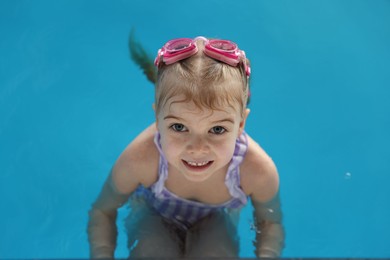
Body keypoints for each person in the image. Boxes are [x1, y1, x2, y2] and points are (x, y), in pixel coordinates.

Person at [87, 35, 285, 258]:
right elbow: (103, 210)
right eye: (179, 127)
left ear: (240, 125)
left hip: (216, 218)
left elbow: (270, 223)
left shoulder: (256, 170)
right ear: (157, 119)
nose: (197, 148)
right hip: (155, 214)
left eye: (217, 129)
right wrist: (102, 254)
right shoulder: (142, 158)